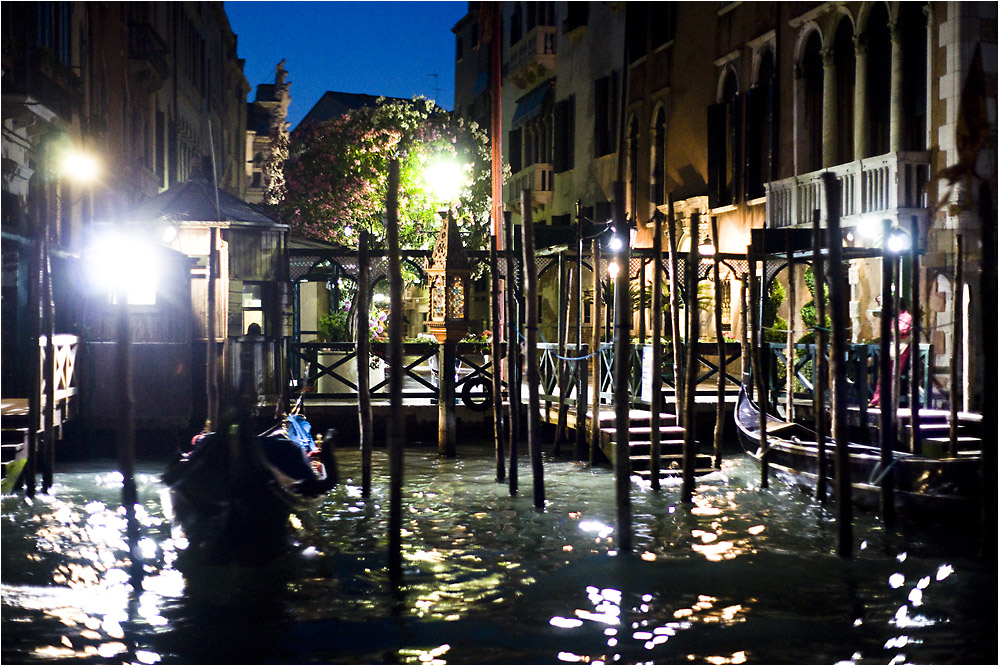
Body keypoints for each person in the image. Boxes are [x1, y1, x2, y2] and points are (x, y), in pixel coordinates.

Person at [869, 304, 912, 407]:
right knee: (883, 374)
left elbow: (901, 331)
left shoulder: (907, 317)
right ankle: (876, 399)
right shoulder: (895, 318)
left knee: (893, 374)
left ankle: (886, 401)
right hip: (892, 346)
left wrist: (888, 330)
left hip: (902, 346)